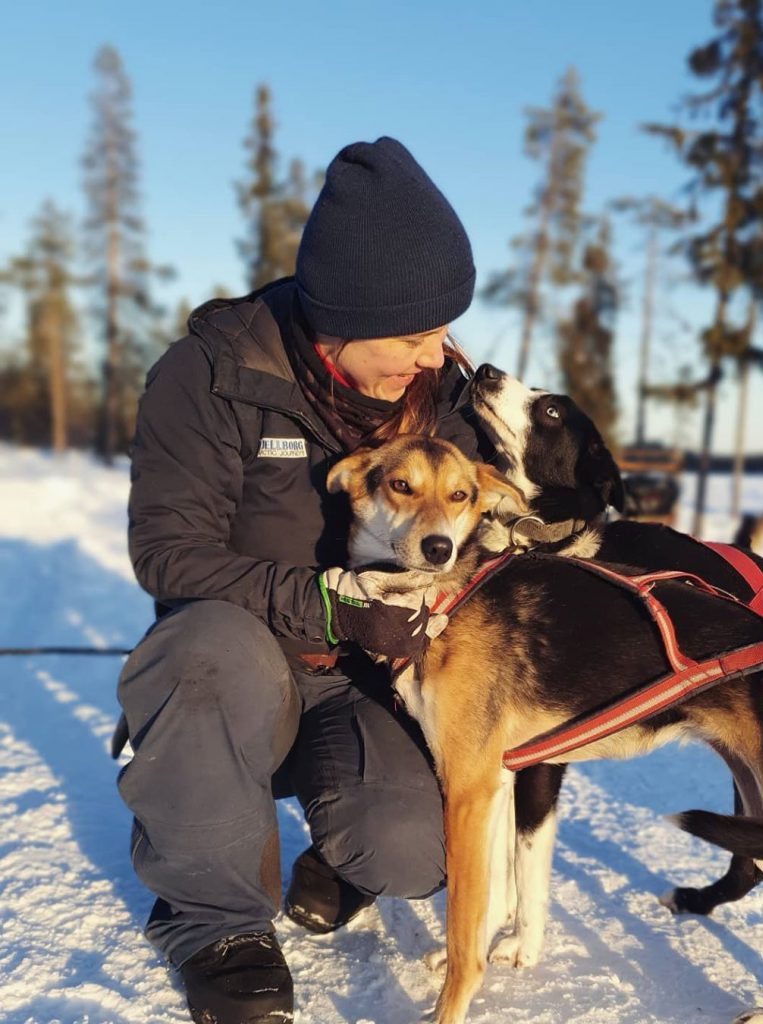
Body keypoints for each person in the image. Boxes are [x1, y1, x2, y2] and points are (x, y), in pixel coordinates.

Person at [116, 136, 485, 1024]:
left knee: (410, 854)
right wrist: (326, 600)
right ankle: (215, 923)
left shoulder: (441, 398)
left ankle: (341, 852)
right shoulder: (214, 376)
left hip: (361, 682)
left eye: (442, 333)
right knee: (204, 651)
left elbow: (475, 531)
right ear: (343, 316)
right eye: (415, 336)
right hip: (242, 660)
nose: (437, 357)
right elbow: (166, 552)